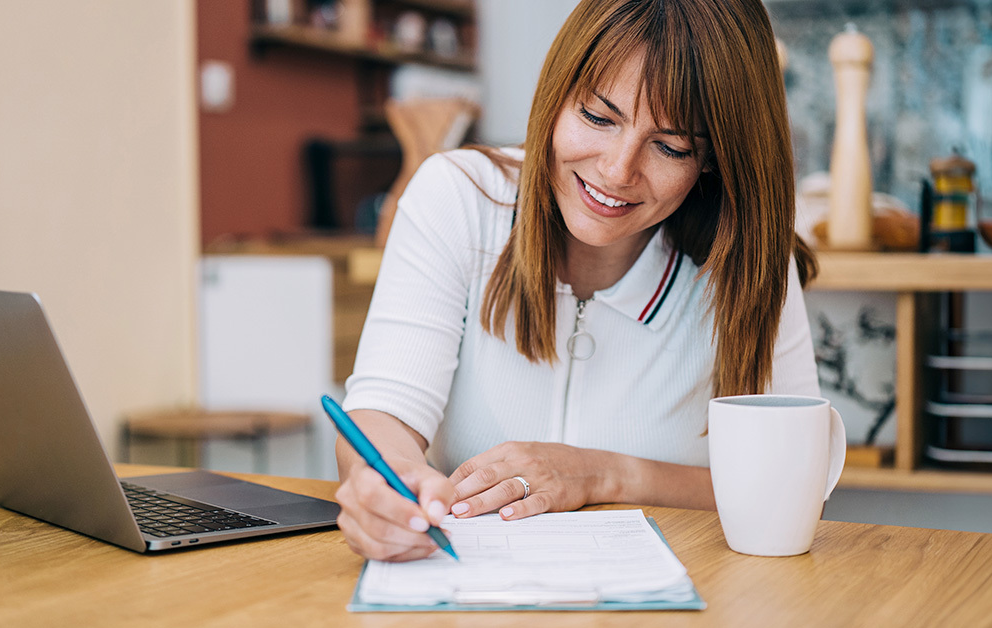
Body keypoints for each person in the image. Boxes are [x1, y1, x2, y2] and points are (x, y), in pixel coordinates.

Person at [335, 0, 825, 563]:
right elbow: (383, 411)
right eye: (598, 117)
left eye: (670, 146)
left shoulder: (747, 260)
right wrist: (387, 481)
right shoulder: (458, 198)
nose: (617, 171)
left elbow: (790, 488)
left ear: (713, 159)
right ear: (556, 92)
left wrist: (603, 474)